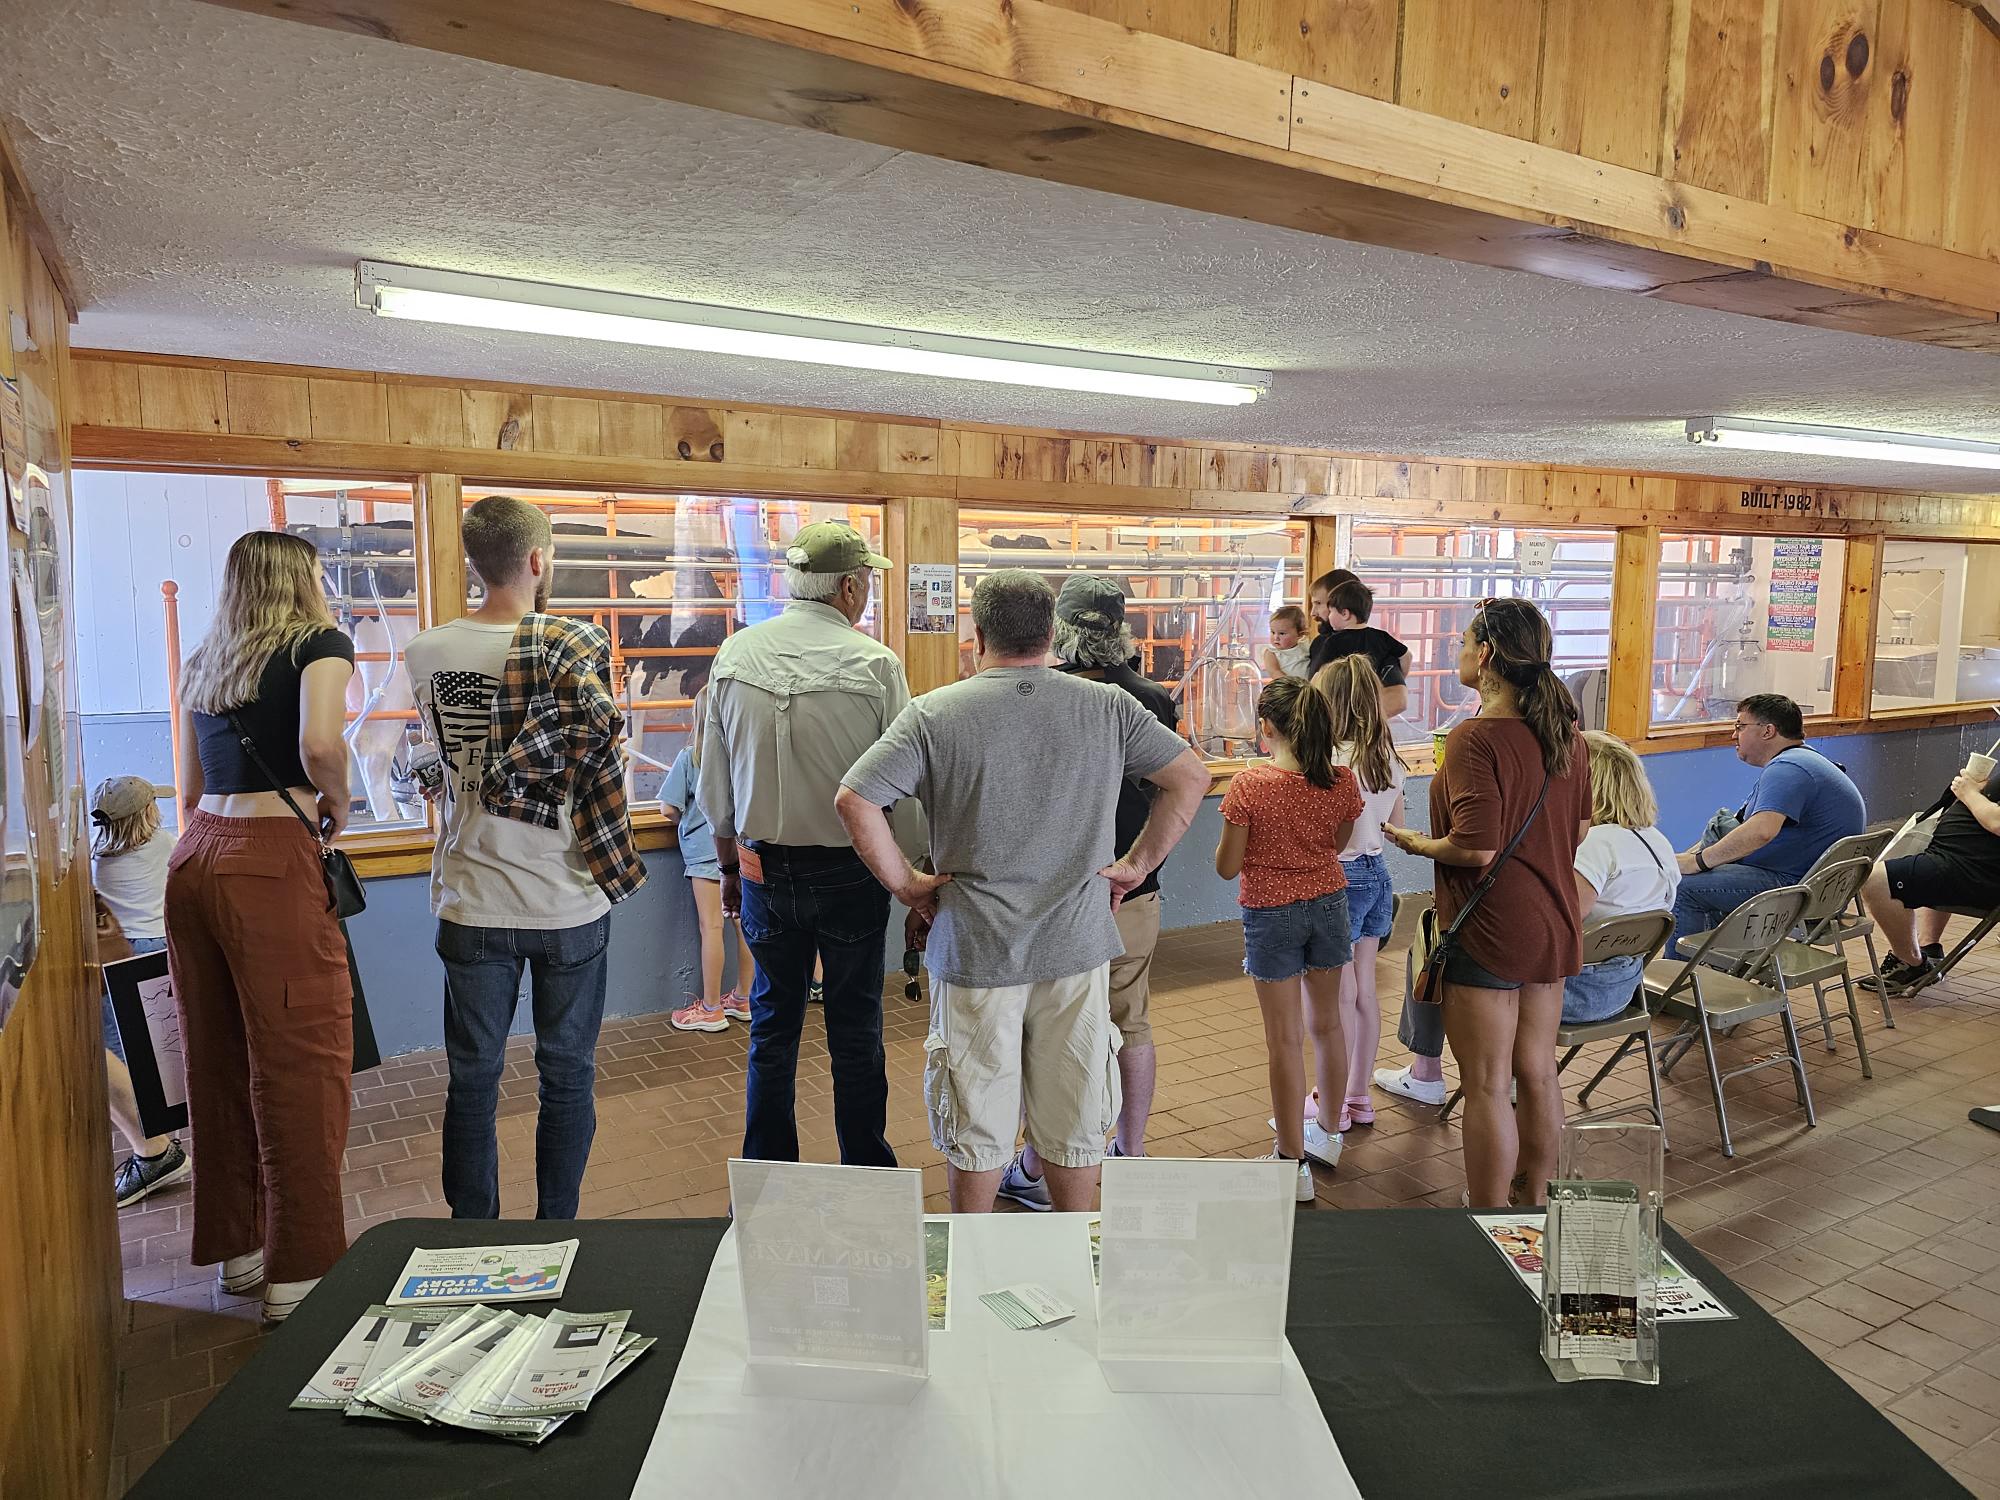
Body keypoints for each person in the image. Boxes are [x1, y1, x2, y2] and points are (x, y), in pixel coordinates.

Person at [837, 569, 1209, 1213]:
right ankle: (1076, 1263)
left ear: (977, 634)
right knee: (1075, 1118)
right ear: (1050, 634)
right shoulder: (1108, 707)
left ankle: (975, 1265)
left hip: (976, 949)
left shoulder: (935, 712)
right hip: (1077, 946)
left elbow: (855, 799)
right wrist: (1134, 865)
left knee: (976, 1124)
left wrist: (909, 885)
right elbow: (1190, 778)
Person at [406, 494, 635, 1223]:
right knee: (567, 1076)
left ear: (475, 562)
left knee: (472, 1080)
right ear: (538, 561)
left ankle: (472, 1233)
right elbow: (604, 769)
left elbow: (450, 767)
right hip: (567, 897)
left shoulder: (426, 652)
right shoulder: (578, 649)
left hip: (471, 895)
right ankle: (557, 1229)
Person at [168, 530, 357, 1322]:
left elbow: (185, 787)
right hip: (270, 854)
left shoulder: (207, 659)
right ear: (300, 578)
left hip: (195, 856)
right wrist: (338, 800)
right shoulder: (321, 641)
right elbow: (319, 741)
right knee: (302, 1061)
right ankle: (303, 1271)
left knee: (214, 1057)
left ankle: (240, 1252)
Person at [701, 521, 920, 1167]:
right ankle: (868, 1172)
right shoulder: (877, 664)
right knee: (856, 1028)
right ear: (850, 587)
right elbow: (901, 787)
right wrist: (906, 880)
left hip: (764, 869)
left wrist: (730, 871)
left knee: (772, 1027)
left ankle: (769, 1173)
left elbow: (715, 785)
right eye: (869, 580)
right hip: (853, 872)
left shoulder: (736, 655)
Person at [1384, 597, 1591, 1209]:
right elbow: (1577, 831)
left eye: (1464, 642)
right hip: (1553, 919)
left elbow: (1475, 849)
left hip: (1493, 927)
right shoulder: (1567, 737)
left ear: (1489, 655)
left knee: (1484, 1083)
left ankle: (1488, 1213)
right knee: (1538, 1070)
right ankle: (1539, 1196)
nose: (1457, 652)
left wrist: (1417, 841)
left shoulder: (1475, 738)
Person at [997, 575, 1180, 1209]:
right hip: (1136, 886)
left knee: (1046, 1029)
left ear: (1060, 631)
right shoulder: (1153, 698)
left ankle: (1038, 1167)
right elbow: (1176, 786)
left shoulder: (1056, 698)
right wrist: (1141, 861)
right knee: (1132, 1020)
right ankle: (1130, 1149)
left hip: (1060, 895)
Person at [1216, 677, 1362, 1200]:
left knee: (1284, 1038)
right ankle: (1329, 1133)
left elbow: (1227, 868)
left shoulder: (1250, 786)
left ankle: (1290, 1163)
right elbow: (1336, 843)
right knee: (1328, 1025)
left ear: (1268, 728)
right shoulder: (1342, 781)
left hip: (1271, 913)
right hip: (1330, 905)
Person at [1670, 693, 1864, 956]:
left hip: (1795, 889)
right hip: (1820, 890)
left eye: (1740, 726)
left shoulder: (1788, 768)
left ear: (1768, 731)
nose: (1733, 735)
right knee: (1707, 873)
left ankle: (1678, 985)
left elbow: (1761, 832)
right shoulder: (1807, 761)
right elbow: (1746, 829)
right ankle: (1713, 971)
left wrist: (1698, 862)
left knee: (1684, 887)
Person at [1314, 657, 1405, 1132]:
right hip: (1377, 873)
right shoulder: (1387, 754)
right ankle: (1358, 1095)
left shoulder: (1328, 761)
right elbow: (1397, 828)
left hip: (1338, 877)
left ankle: (1332, 1104)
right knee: (1365, 990)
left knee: (1340, 996)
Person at [91, 776, 190, 1206]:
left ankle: (154, 1140)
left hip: (119, 955)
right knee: (165, 1042)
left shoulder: (98, 861)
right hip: (160, 948)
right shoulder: (165, 844)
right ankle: (165, 1126)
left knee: (119, 1046)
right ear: (149, 812)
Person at [1564, 732, 1680, 1023]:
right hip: (1625, 989)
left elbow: (1562, 922)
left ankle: (1522, 1065)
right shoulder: (1657, 842)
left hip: (1575, 992)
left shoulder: (1594, 843)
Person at [1859, 761, 2000, 995]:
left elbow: (1997, 823)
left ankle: (1910, 963)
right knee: (1923, 867)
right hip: (1960, 859)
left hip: (1977, 872)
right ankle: (1929, 947)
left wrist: (1970, 794)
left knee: (1875, 880)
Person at [663, 687, 755, 1032]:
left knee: (711, 928)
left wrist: (685, 821)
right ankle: (744, 998)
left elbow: (668, 807)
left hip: (705, 857)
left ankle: (712, 1008)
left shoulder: (691, 757)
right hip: (744, 853)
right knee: (744, 926)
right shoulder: (743, 757)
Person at [1306, 570, 1410, 718]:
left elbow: (1397, 700)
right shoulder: (1320, 642)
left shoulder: (1375, 643)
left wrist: (1348, 722)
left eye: (1319, 604)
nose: (1313, 613)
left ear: (1343, 608)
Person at [1260, 604, 1311, 680]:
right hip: (1287, 688)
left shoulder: (1305, 646)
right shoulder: (1271, 652)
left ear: (1299, 634)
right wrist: (1292, 685)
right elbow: (1274, 672)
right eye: (1273, 632)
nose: (1276, 637)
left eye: (1282, 633)